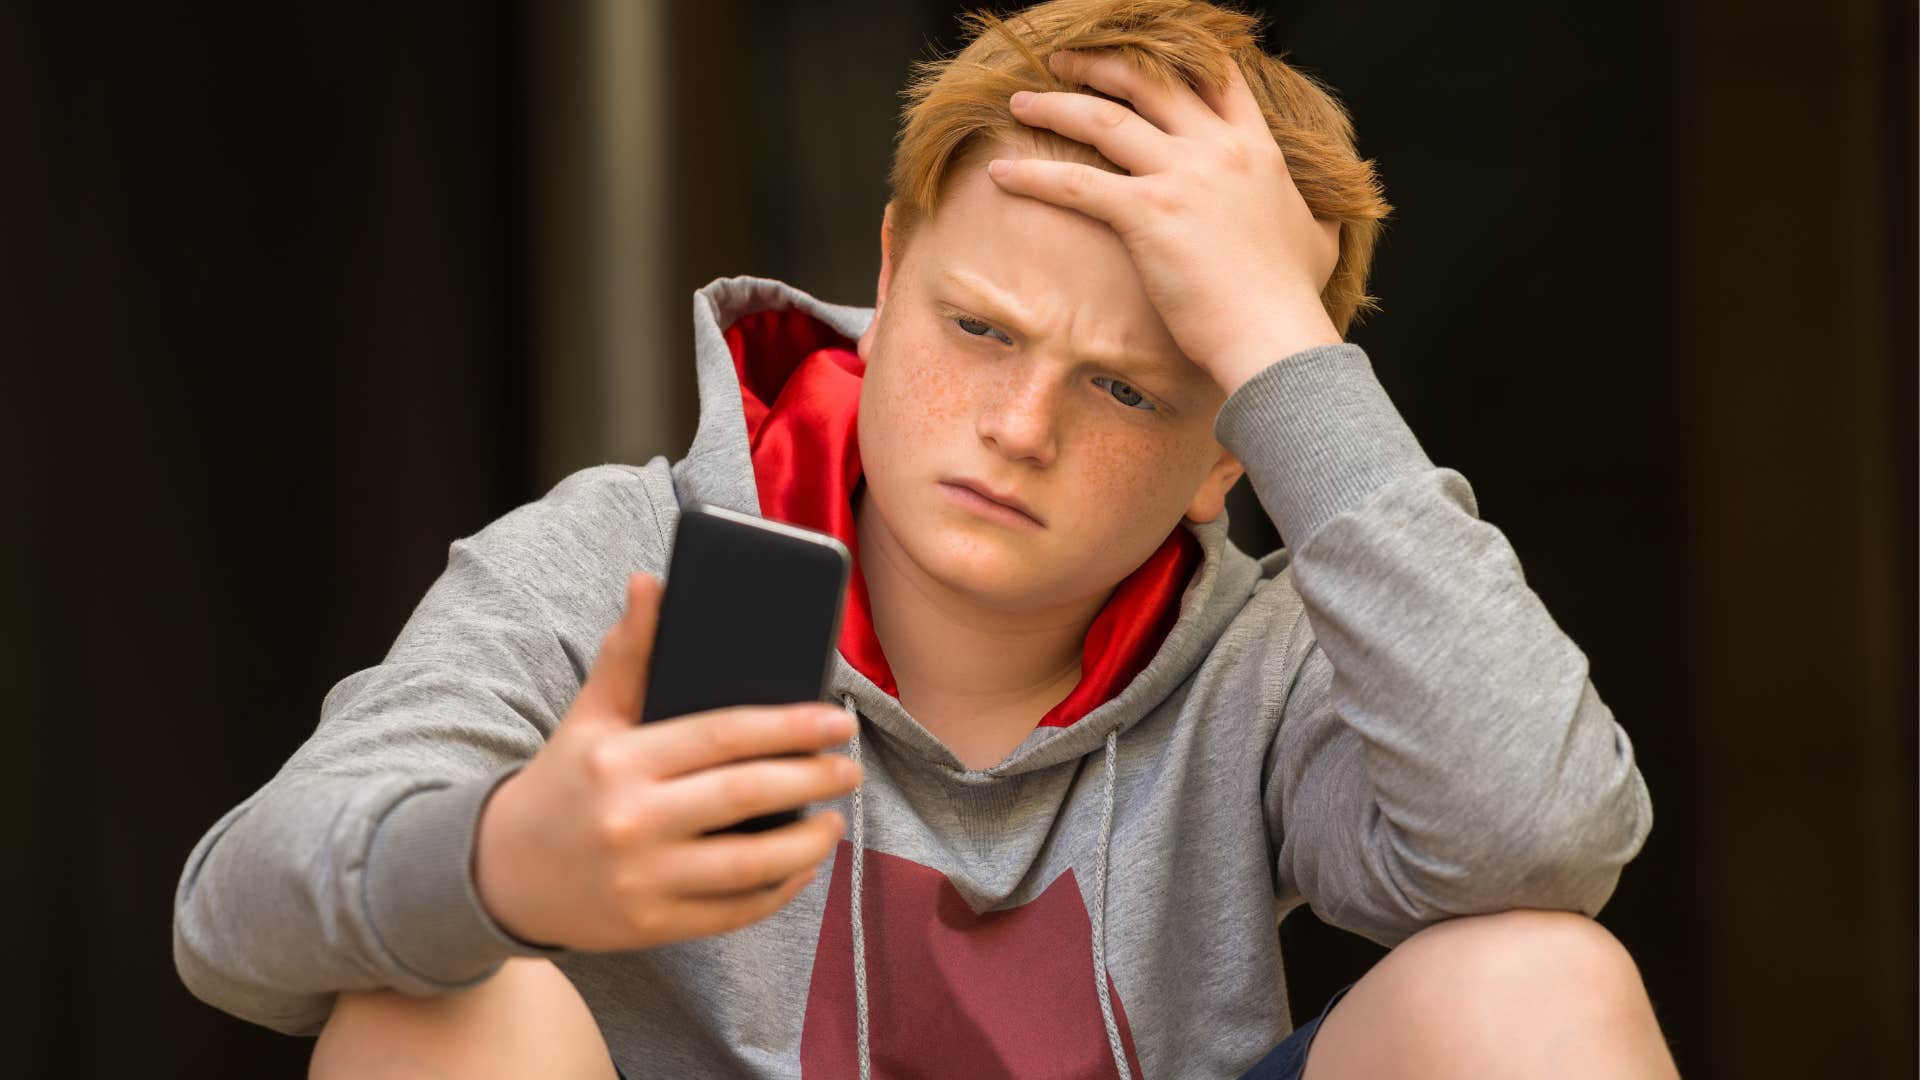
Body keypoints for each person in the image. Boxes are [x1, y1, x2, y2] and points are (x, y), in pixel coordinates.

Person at [173, 2, 1681, 1077]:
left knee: (1536, 980)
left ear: (1233, 447)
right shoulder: (634, 557)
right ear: (887, 274)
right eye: (976, 325)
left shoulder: (1271, 662)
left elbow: (1539, 838)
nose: (1018, 423)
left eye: (1125, 387)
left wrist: (1288, 345)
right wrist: (509, 864)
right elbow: (232, 918)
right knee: (439, 1012)